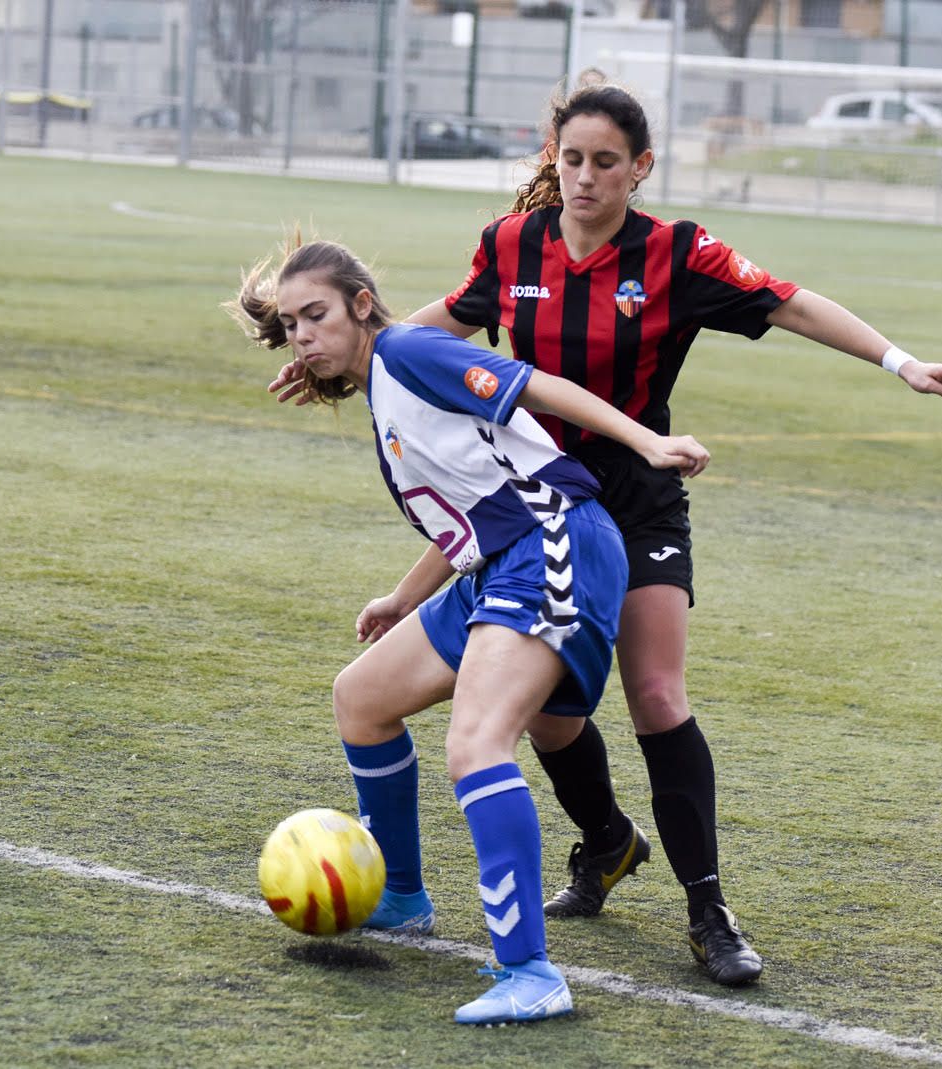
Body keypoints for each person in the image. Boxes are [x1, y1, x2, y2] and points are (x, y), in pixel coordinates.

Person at [269, 83, 942, 988]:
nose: (584, 178)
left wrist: (901, 360)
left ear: (639, 167)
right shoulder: (511, 244)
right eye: (570, 159)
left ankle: (708, 909)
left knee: (654, 692)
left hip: (634, 498)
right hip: (528, 500)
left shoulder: (676, 253)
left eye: (605, 162)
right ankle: (608, 841)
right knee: (550, 715)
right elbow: (433, 336)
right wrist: (332, 357)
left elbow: (790, 303)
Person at [228, 236, 710, 1024]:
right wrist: (402, 597)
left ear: (360, 304)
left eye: (316, 315)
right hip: (502, 561)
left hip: (555, 543)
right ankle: (401, 898)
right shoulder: (384, 385)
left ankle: (530, 972)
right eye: (290, 324)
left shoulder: (410, 351)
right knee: (362, 698)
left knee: (477, 743)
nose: (303, 336)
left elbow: (539, 387)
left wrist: (647, 440)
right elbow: (477, 506)